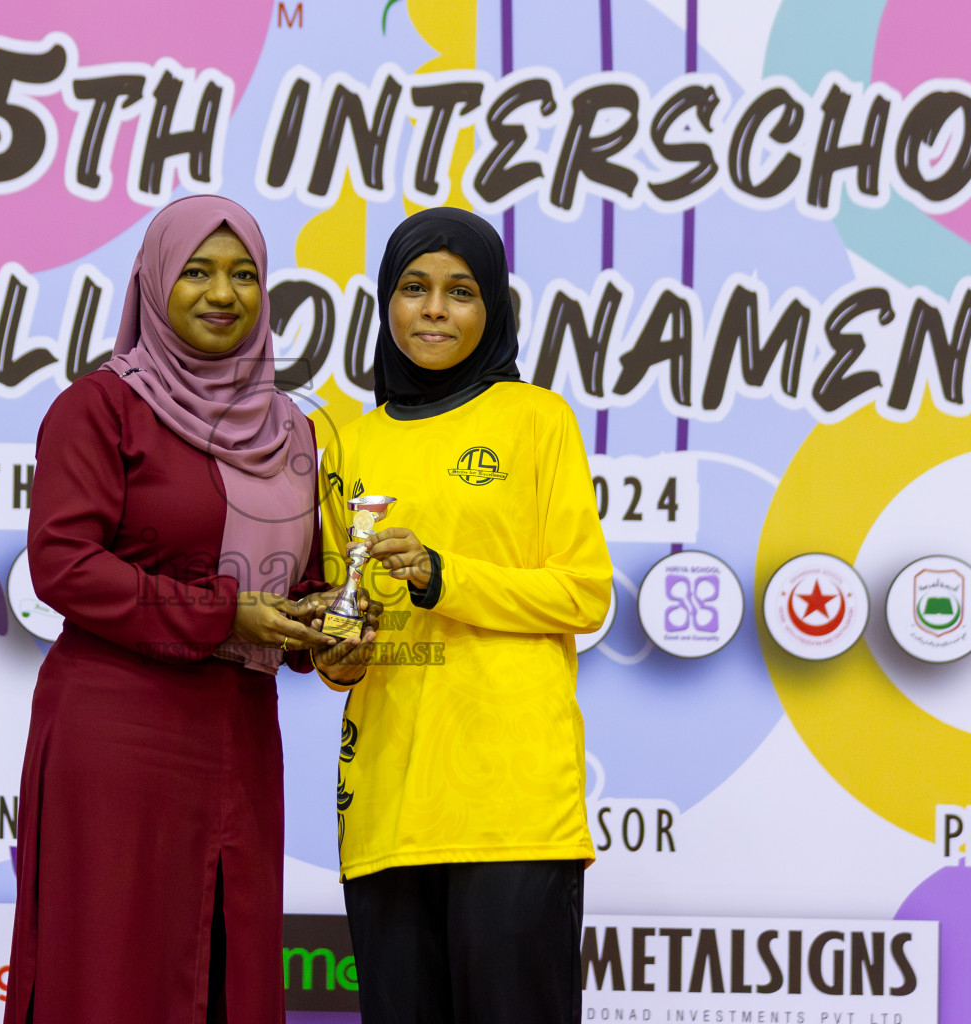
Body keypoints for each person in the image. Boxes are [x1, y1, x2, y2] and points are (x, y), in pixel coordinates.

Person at [5, 195, 349, 1024]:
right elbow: (64, 565)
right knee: (114, 970)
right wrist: (226, 615)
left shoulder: (292, 431)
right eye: (197, 271)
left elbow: (290, 582)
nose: (221, 293)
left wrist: (325, 623)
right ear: (155, 283)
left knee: (228, 968)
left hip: (237, 733)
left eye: (243, 275)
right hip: (119, 730)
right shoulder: (102, 408)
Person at [315, 207, 613, 1023]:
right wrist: (336, 649)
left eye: (461, 291)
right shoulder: (342, 440)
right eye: (414, 289)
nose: (435, 310)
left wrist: (445, 576)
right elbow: (342, 627)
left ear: (495, 312)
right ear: (386, 304)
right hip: (386, 806)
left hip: (510, 806)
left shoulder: (535, 419)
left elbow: (584, 594)